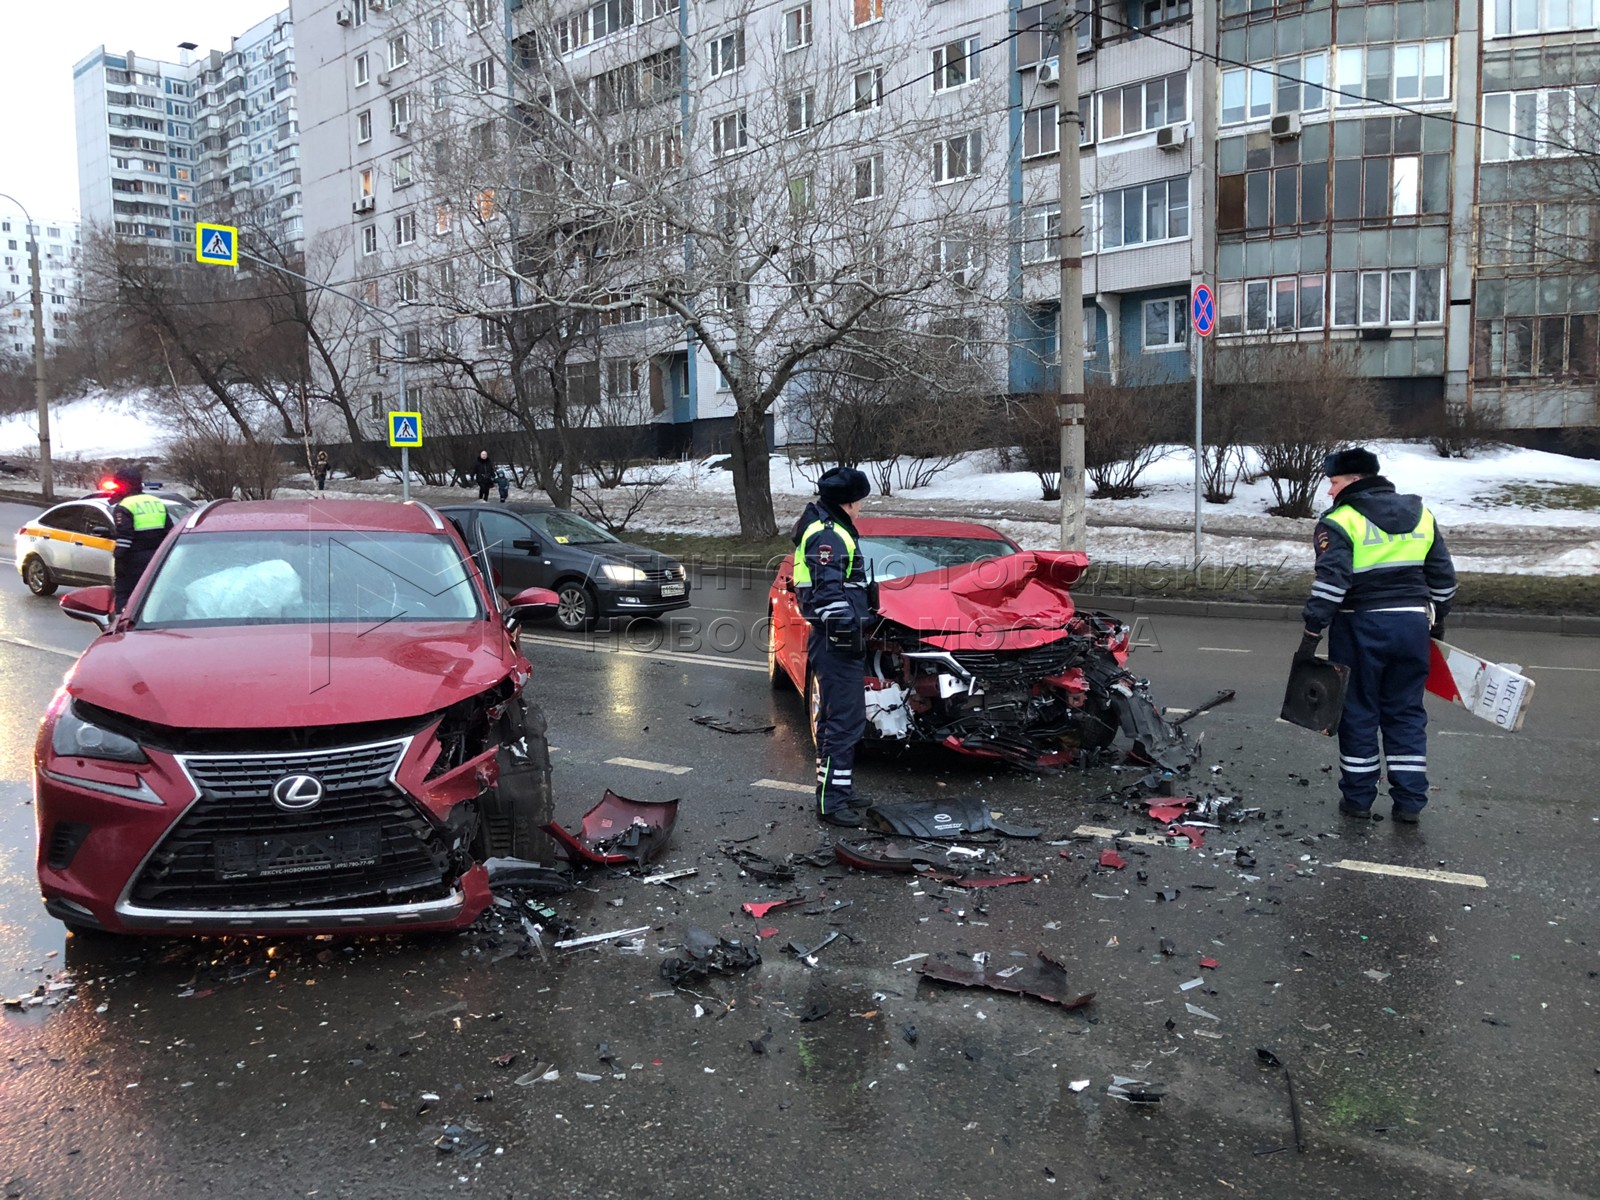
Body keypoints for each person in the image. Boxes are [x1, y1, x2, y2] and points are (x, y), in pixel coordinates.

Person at [1297, 447, 1457, 824]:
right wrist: (1438, 621)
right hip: (1413, 626)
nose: (1330, 491)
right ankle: (1410, 802)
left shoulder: (1340, 521)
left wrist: (1311, 631)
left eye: (1333, 482)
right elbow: (1444, 581)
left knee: (1358, 712)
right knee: (1405, 712)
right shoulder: (1422, 514)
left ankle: (1358, 799)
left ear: (1353, 480)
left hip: (1361, 626)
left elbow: (1332, 585)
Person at [791, 466, 874, 827]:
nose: (861, 509)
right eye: (860, 503)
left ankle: (838, 789)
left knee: (837, 719)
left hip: (834, 639)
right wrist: (848, 633)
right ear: (848, 501)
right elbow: (828, 595)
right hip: (836, 641)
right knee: (844, 721)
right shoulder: (829, 536)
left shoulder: (829, 526)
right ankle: (832, 801)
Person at [110, 466, 174, 614]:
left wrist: (119, 561)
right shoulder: (156, 502)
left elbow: (124, 538)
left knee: (124, 593)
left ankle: (122, 623)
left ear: (125, 485)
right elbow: (170, 532)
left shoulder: (125, 506)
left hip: (134, 559)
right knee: (155, 594)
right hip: (158, 558)